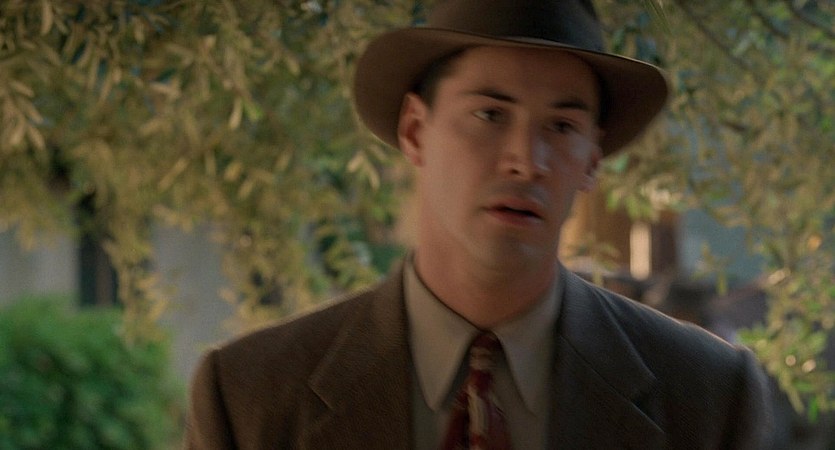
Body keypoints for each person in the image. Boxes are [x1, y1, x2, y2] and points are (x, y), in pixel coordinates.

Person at [184, 0, 774, 448]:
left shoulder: (706, 396)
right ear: (415, 130)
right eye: (490, 114)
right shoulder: (253, 397)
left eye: (561, 127)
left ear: (593, 160)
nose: (526, 160)